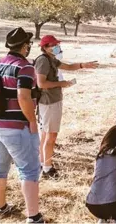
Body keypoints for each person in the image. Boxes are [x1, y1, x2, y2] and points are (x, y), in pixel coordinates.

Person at [0, 27, 44, 223]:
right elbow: (24, 97)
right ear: (25, 46)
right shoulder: (25, 67)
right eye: (29, 44)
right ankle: (34, 217)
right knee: (29, 170)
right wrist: (33, 121)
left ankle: (0, 208)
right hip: (17, 126)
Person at [35, 35, 99, 179]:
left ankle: (42, 164)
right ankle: (47, 169)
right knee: (50, 135)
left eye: (57, 44)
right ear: (45, 47)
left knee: (46, 134)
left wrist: (83, 65)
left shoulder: (51, 59)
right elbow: (41, 84)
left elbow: (68, 67)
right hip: (49, 103)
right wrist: (61, 84)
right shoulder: (43, 61)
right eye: (54, 45)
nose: (57, 47)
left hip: (52, 101)